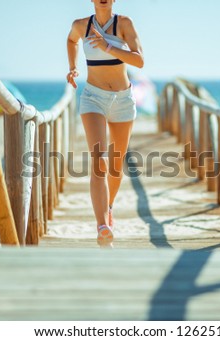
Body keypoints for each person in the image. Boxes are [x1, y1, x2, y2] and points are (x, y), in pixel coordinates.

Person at [66, 0, 144, 246]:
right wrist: (72, 67)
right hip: (93, 98)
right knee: (98, 161)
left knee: (115, 165)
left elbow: (139, 60)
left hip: (122, 99)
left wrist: (108, 47)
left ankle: (108, 207)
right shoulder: (81, 25)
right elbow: (71, 40)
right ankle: (102, 226)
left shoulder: (124, 23)